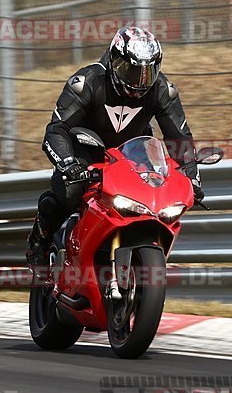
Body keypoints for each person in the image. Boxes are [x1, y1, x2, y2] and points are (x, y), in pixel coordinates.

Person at [25, 26, 202, 269]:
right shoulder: (86, 82)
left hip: (132, 155)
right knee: (69, 194)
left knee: (155, 199)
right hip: (84, 153)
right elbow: (56, 130)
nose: (140, 81)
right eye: (132, 70)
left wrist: (192, 178)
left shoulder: (163, 90)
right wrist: (68, 163)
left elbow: (179, 138)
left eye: (147, 72)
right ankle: (40, 242)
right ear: (115, 61)